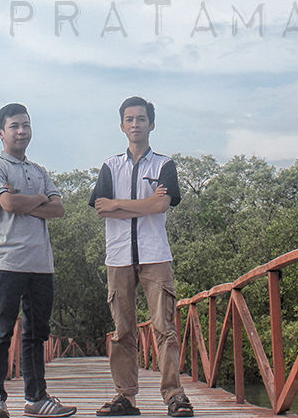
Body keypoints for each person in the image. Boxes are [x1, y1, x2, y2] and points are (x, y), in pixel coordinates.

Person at [89, 97, 193, 418]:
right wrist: (145, 203)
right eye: (130, 119)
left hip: (155, 255)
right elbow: (100, 207)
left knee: (165, 327)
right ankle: (126, 397)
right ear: (122, 126)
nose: (136, 124)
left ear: (151, 124)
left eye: (142, 118)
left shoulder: (164, 165)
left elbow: (162, 206)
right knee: (122, 331)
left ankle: (174, 395)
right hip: (118, 256)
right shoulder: (111, 165)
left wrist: (124, 205)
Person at [0, 103, 77, 418]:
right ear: (1, 132)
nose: (21, 131)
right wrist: (39, 199)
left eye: (26, 125)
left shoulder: (39, 171)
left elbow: (59, 209)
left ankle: (36, 399)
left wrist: (27, 201)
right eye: (14, 126)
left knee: (37, 333)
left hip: (42, 265)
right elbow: (7, 202)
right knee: (1, 332)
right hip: (8, 262)